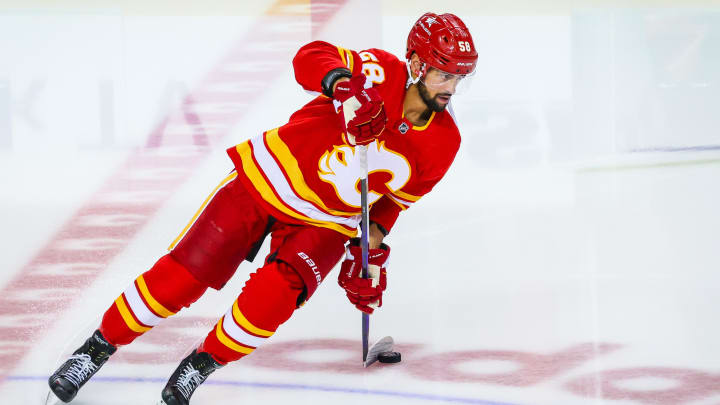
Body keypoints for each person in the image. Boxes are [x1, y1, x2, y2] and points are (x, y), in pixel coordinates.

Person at [47, 12, 478, 405]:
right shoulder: (378, 69)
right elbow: (310, 56)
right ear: (418, 64)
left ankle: (199, 366)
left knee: (271, 301)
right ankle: (95, 349)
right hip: (268, 177)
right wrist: (340, 82)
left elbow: (389, 206)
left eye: (460, 78)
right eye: (445, 75)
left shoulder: (445, 143)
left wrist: (368, 253)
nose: (452, 89)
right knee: (180, 279)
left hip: (328, 222)